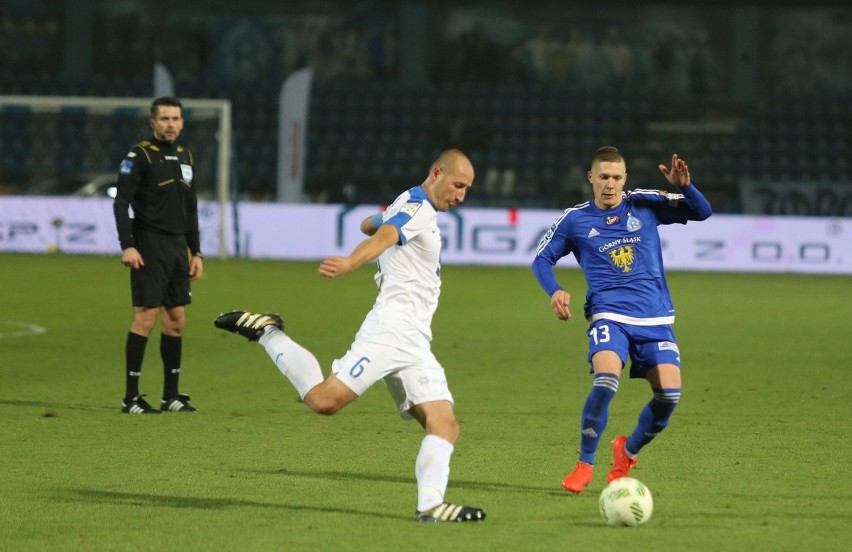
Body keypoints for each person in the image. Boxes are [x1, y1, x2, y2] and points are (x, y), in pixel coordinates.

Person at [214, 149, 486, 523]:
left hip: (414, 339)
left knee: (444, 424)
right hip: (391, 330)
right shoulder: (419, 208)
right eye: (458, 185)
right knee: (325, 401)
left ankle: (431, 507)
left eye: (467, 189)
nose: (460, 196)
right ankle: (268, 333)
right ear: (437, 173)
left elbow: (370, 225)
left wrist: (376, 221)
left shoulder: (409, 201)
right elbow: (383, 236)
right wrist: (350, 262)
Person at [531, 146, 711, 493]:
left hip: (654, 316)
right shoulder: (575, 219)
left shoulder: (643, 204)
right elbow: (541, 260)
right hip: (608, 315)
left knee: (669, 396)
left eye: (616, 177)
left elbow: (702, 213)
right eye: (603, 177)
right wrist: (554, 290)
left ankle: (626, 452)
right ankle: (585, 463)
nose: (610, 184)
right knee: (606, 381)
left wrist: (685, 187)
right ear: (591, 178)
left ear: (625, 179)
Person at [113, 96, 203, 414]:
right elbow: (120, 202)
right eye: (164, 119)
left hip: (179, 249)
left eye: (175, 119)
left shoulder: (186, 156)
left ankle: (171, 395)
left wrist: (197, 251)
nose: (170, 124)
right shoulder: (139, 156)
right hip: (148, 245)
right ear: (153, 122)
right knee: (145, 317)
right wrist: (128, 244)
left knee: (176, 320)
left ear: (182, 122)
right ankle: (131, 397)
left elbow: (190, 210)